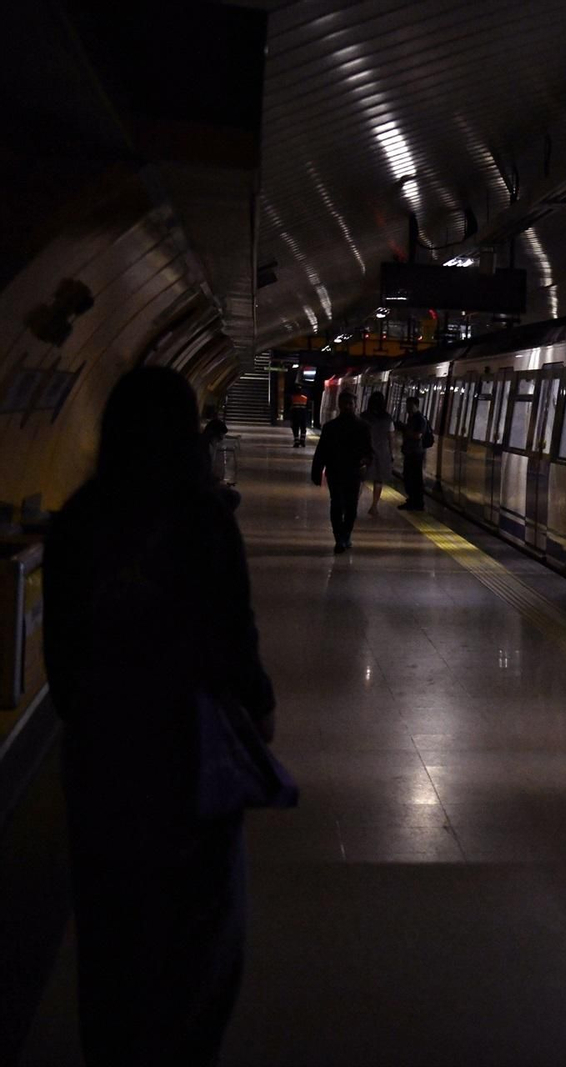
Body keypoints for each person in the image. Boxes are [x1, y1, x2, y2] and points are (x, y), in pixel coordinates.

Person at [43, 366, 276, 1066]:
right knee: (200, 942)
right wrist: (257, 714)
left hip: (102, 769)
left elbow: (63, 662)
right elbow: (238, 643)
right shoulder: (206, 522)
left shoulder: (77, 525)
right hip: (190, 768)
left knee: (111, 939)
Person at [311, 390, 372, 552]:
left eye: (350, 404)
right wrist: (317, 471)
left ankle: (344, 535)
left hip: (351, 471)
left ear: (355, 406)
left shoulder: (361, 427)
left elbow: (369, 451)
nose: (347, 407)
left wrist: (366, 462)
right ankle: (341, 537)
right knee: (338, 504)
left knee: (349, 505)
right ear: (339, 406)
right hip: (338, 472)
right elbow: (322, 451)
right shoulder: (333, 427)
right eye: (344, 404)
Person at [361, 391, 395, 515]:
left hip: (365, 452)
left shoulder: (363, 416)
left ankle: (353, 504)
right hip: (382, 453)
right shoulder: (388, 418)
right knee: (378, 480)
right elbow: (391, 437)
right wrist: (391, 453)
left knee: (360, 479)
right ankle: (374, 506)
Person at [397, 394, 432, 511]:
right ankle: (412, 499)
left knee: (415, 478)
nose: (407, 408)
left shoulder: (420, 419)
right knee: (408, 476)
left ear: (416, 406)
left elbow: (418, 435)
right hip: (410, 452)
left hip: (416, 453)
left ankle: (417, 502)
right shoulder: (411, 418)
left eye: (410, 406)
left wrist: (404, 429)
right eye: (407, 405)